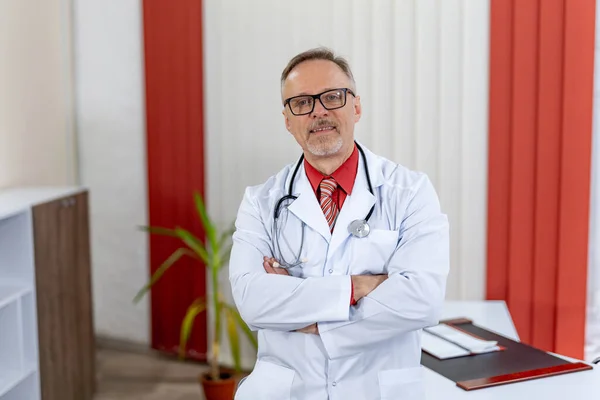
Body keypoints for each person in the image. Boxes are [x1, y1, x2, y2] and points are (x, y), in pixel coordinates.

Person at [228, 47, 449, 400]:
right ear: (287, 120)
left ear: (356, 107)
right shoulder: (260, 202)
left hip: (378, 389)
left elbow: (422, 299)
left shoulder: (410, 191)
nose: (319, 111)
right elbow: (254, 301)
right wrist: (358, 287)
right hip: (288, 390)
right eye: (302, 103)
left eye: (332, 97)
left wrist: (311, 320)